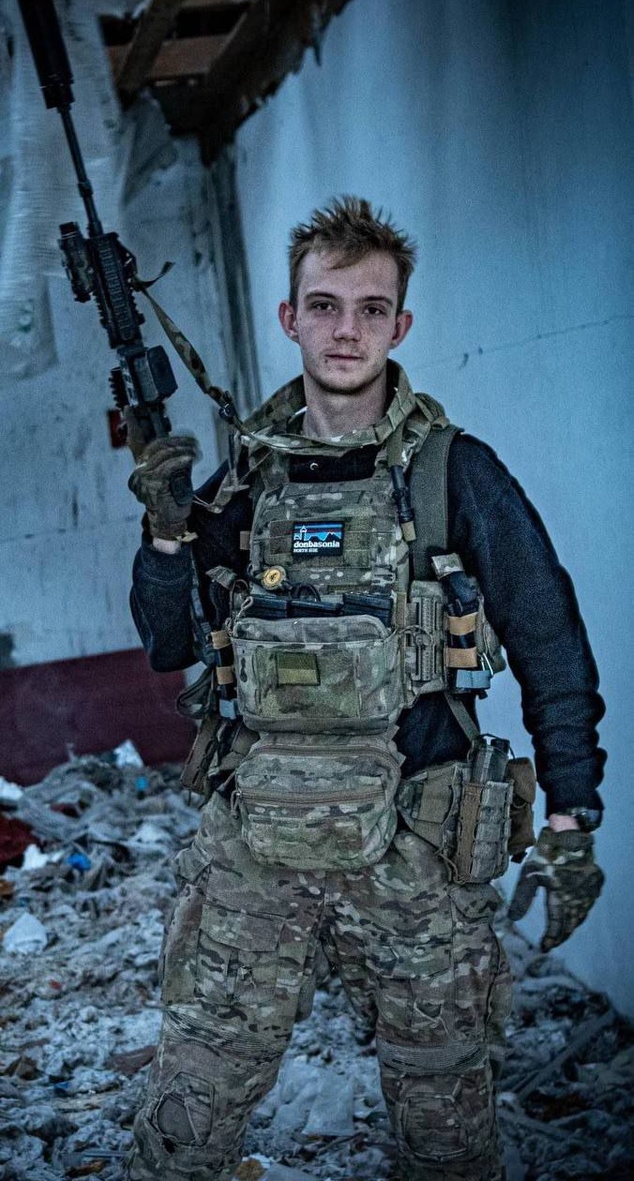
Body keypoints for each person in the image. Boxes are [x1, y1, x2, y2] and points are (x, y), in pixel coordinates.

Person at [125, 197, 605, 1181]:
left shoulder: (453, 474)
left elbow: (550, 641)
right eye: (325, 306)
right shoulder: (245, 483)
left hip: (417, 843)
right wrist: (167, 537)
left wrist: (571, 810)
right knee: (193, 1099)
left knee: (444, 1112)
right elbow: (168, 644)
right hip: (258, 842)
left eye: (370, 309)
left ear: (400, 325)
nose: (347, 331)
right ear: (289, 318)